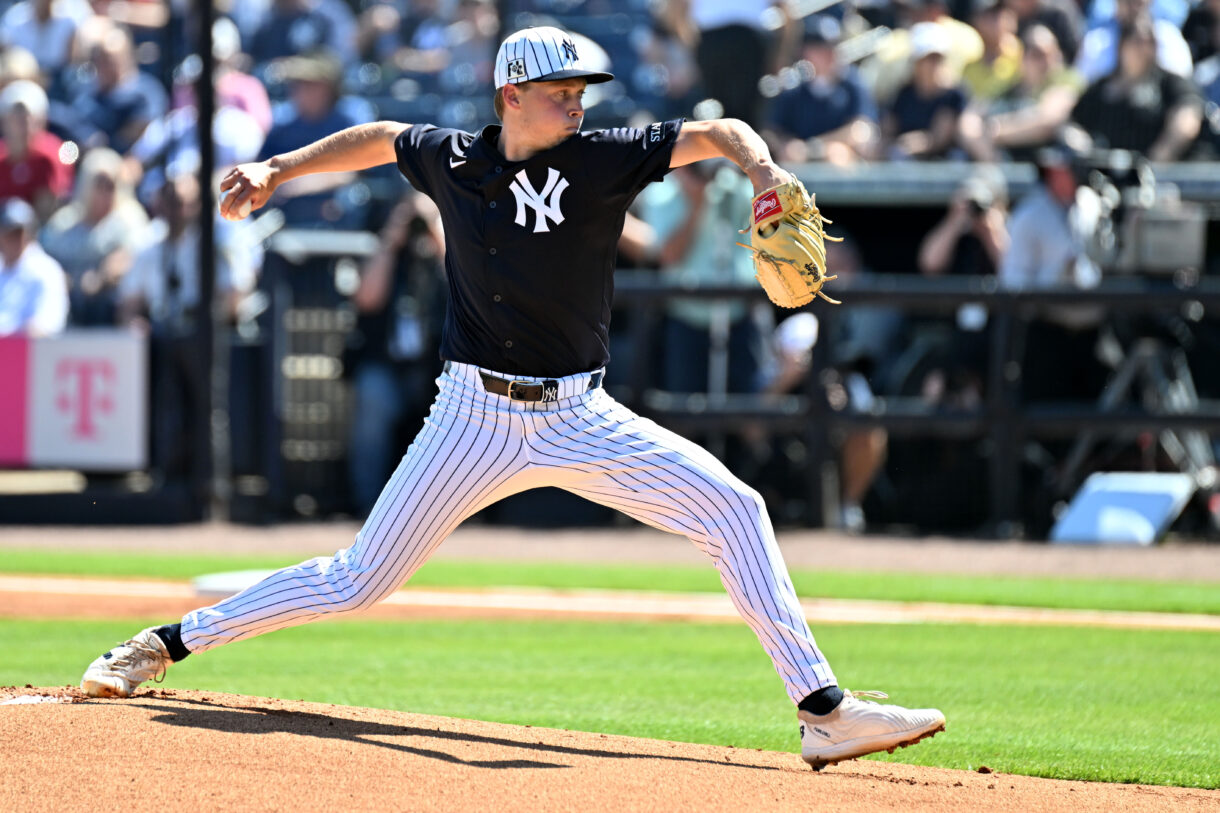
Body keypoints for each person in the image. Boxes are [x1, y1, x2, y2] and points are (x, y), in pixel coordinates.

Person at [80, 25, 945, 770]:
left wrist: (762, 173)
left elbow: (722, 131)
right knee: (356, 580)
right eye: (561, 89)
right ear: (510, 94)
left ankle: (823, 713)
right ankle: (163, 644)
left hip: (580, 415)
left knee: (736, 508)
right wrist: (277, 166)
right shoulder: (455, 161)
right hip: (472, 417)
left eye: (581, 89)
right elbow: (381, 134)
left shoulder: (603, 161)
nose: (578, 103)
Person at [40, 146, 148, 325]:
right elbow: (47, 260)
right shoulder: (64, 222)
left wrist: (103, 276)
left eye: (111, 185)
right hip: (68, 307)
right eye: (100, 185)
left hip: (112, 310)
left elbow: (136, 258)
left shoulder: (131, 220)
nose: (106, 192)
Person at [1070, 16, 1203, 160]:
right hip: (1104, 174)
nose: (1144, 48)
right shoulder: (1100, 87)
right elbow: (1072, 121)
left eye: (1150, 42)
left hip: (1157, 175)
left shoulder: (1170, 82)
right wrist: (1080, 143)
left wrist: (1160, 156)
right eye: (1138, 41)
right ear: (1122, 45)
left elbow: (1187, 118)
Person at [0, 196, 68, 336]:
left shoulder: (47, 271)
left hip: (26, 353)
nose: (14, 239)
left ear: (30, 233)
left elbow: (45, 327)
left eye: (19, 233)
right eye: (8, 233)